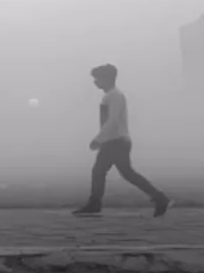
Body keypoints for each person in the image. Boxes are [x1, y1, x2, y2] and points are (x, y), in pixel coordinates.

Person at [72, 64, 171, 217]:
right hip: (117, 140)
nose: (95, 82)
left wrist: (99, 139)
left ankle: (95, 203)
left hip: (115, 141)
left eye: (97, 79)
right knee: (126, 173)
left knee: (100, 171)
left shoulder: (114, 96)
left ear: (106, 79)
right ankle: (159, 198)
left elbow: (112, 121)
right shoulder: (112, 95)